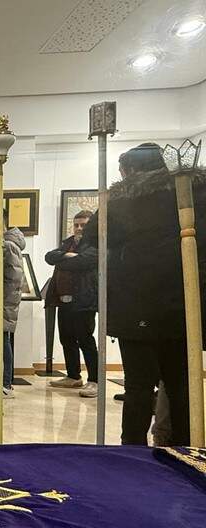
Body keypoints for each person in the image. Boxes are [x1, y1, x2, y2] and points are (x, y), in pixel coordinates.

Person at [82, 142, 206, 445]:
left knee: (139, 385)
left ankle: (133, 453)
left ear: (129, 170)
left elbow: (94, 236)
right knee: (181, 384)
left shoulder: (124, 199)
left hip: (137, 304)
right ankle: (184, 450)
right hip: (183, 304)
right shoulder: (191, 192)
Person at [45, 210, 98, 397]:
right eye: (76, 224)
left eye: (83, 224)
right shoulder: (68, 243)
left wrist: (64, 259)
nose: (79, 228)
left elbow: (84, 262)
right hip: (64, 299)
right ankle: (73, 376)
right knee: (66, 338)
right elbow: (49, 256)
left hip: (84, 299)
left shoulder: (94, 243)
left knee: (86, 339)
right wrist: (67, 256)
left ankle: (94, 380)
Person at [3, 220, 25, 395]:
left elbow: (14, 279)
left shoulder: (9, 245)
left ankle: (6, 383)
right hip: (5, 301)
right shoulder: (9, 244)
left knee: (3, 342)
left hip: (4, 302)